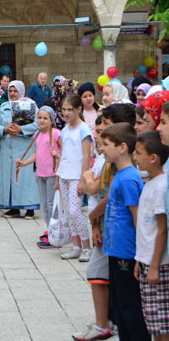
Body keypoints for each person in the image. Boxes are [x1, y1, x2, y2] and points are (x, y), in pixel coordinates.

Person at [100, 122, 149, 340]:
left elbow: (138, 218)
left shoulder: (129, 178)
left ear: (121, 147)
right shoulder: (119, 175)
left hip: (128, 253)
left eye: (106, 144)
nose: (102, 149)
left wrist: (140, 256)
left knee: (130, 306)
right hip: (115, 250)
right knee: (119, 305)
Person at [73, 115, 114, 341]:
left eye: (103, 130)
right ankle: (104, 323)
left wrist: (88, 179)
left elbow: (97, 188)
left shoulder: (113, 161)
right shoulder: (103, 157)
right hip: (101, 224)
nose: (97, 135)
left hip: (113, 227)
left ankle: (106, 324)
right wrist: (96, 223)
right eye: (96, 130)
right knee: (97, 273)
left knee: (104, 275)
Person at [133, 131, 169, 341]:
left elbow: (162, 230)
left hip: (160, 265)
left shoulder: (162, 187)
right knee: (154, 323)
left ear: (153, 158)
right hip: (147, 261)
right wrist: (140, 260)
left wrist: (154, 265)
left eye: (138, 153)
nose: (135, 157)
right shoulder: (151, 183)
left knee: (163, 325)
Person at [55, 94, 93, 262]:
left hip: (77, 176)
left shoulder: (83, 129)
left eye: (70, 109)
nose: (67, 113)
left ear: (79, 109)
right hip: (64, 174)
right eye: (64, 109)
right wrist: (57, 177)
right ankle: (76, 246)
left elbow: (86, 156)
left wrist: (82, 179)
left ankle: (87, 247)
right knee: (70, 214)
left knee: (75, 211)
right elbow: (63, 155)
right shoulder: (64, 130)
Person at [0, 80, 40, 218]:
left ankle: (29, 207)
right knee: (9, 177)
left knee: (25, 177)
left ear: (21, 91)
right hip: (8, 147)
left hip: (24, 146)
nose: (13, 93)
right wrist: (5, 129)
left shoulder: (31, 105)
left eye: (15, 91)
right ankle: (13, 208)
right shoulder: (4, 107)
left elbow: (39, 124)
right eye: (10, 91)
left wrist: (21, 129)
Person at [16, 106, 61, 239]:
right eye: (39, 118)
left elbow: (64, 152)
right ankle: (49, 229)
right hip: (40, 173)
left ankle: (55, 230)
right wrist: (24, 163)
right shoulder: (37, 134)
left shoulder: (56, 133)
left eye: (45, 118)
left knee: (51, 203)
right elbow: (36, 153)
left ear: (51, 120)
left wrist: (57, 155)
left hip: (53, 174)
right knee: (45, 205)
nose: (41, 120)